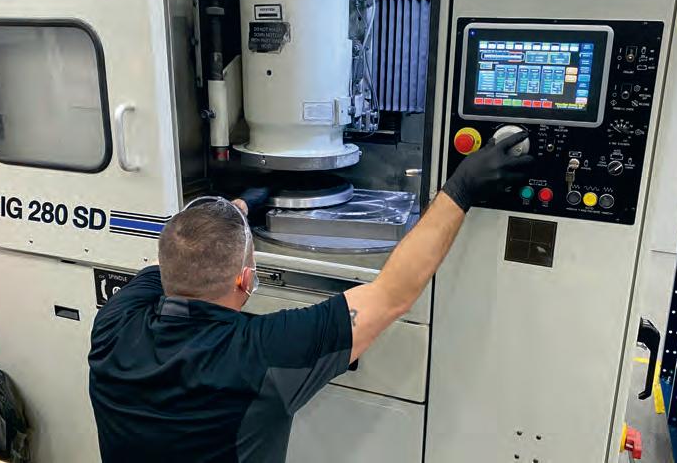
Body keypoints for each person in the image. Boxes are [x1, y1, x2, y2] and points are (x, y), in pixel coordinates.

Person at [88, 131, 533, 463]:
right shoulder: (263, 353)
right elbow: (393, 293)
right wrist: (461, 189)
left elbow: (173, 259)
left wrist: (232, 213)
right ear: (246, 281)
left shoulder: (112, 324)